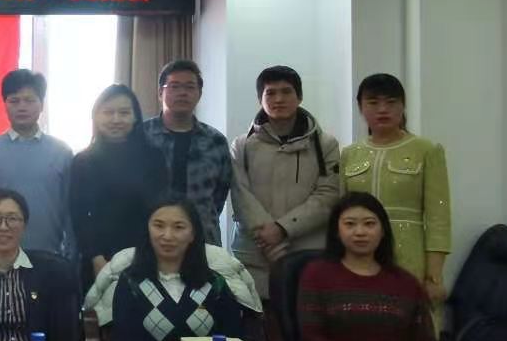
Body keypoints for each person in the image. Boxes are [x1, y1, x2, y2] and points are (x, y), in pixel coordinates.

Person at [341, 73, 453, 315]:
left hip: (408, 255)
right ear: (360, 107)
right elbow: (340, 214)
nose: (383, 110)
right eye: (373, 102)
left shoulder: (427, 150)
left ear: (403, 106)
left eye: (391, 102)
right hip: (357, 254)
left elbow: (439, 217)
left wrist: (434, 276)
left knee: (409, 323)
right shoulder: (349, 154)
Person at [230, 65, 341, 304]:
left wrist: (282, 229)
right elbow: (240, 193)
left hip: (307, 254)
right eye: (270, 93)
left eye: (286, 91)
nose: (278, 99)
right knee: (254, 322)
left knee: (303, 321)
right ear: (260, 99)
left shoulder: (325, 145)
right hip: (254, 256)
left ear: (299, 97)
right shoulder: (242, 145)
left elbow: (327, 196)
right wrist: (268, 236)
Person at [297, 192, 434, 341]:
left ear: (383, 231)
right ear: (337, 231)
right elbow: (312, 338)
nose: (360, 232)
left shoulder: (406, 283)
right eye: (350, 224)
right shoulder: (316, 275)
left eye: (369, 224)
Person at [108, 196, 246, 341]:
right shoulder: (131, 283)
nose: (167, 236)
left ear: (193, 234)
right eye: (159, 226)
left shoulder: (214, 284)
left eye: (178, 227)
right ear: (147, 230)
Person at [0, 69, 75, 260]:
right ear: (5, 105)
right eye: (14, 101)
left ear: (42, 105)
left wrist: (70, 254)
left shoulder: (62, 152)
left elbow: (69, 209)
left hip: (48, 254)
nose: (22, 107)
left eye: (30, 100)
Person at [0, 189, 80, 341]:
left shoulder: (53, 273)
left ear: (24, 225)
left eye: (12, 219)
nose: (3, 227)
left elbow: (65, 338)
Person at [70, 84, 168, 286]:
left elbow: (163, 208)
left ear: (135, 117)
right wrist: (96, 258)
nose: (116, 119)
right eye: (108, 112)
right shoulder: (83, 161)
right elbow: (79, 215)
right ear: (96, 116)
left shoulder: (153, 157)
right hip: (98, 259)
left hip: (147, 255)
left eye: (124, 113)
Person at [142, 59, 233, 245]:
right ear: (160, 92)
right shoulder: (141, 136)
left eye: (190, 87)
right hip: (149, 237)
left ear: (199, 94)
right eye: (174, 86)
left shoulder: (215, 141)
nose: (182, 92)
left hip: (203, 238)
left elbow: (219, 195)